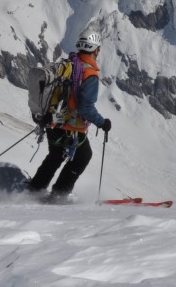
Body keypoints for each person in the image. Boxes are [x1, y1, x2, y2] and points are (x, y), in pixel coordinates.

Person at [27, 28, 112, 202]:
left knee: (55, 156)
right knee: (83, 156)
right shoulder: (89, 74)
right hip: (70, 128)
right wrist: (102, 123)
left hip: (53, 122)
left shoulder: (70, 64)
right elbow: (85, 108)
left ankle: (33, 191)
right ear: (95, 49)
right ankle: (58, 196)